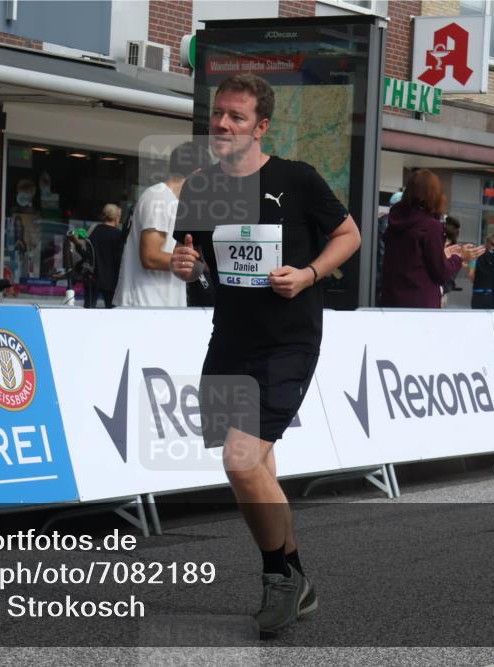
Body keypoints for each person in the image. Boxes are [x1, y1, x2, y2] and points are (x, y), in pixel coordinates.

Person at [170, 74, 361, 636]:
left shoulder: (295, 179)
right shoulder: (201, 186)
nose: (223, 124)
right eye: (218, 115)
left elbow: (348, 234)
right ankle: (297, 580)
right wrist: (189, 266)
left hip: (288, 340)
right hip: (228, 338)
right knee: (257, 471)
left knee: (241, 461)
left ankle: (279, 579)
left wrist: (308, 273)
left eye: (236, 116)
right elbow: (197, 257)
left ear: (261, 126)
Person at [114, 141, 213, 307]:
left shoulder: (174, 203)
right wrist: (198, 264)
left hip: (161, 307)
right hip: (144, 306)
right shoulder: (159, 198)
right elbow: (150, 257)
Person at [380, 169, 483, 308]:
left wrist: (444, 256)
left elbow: (413, 261)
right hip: (420, 306)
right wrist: (459, 258)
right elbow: (440, 272)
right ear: (434, 195)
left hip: (391, 302)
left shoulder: (395, 220)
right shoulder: (430, 226)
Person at [86, 203, 124, 308]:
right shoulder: (118, 235)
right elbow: (119, 259)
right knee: (111, 313)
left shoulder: (94, 230)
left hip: (92, 277)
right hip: (111, 280)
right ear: (116, 217)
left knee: (88, 311)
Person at [469, 234, 494, 309]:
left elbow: (471, 276)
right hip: (492, 295)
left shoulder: (476, 256)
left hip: (478, 294)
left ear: (486, 243)